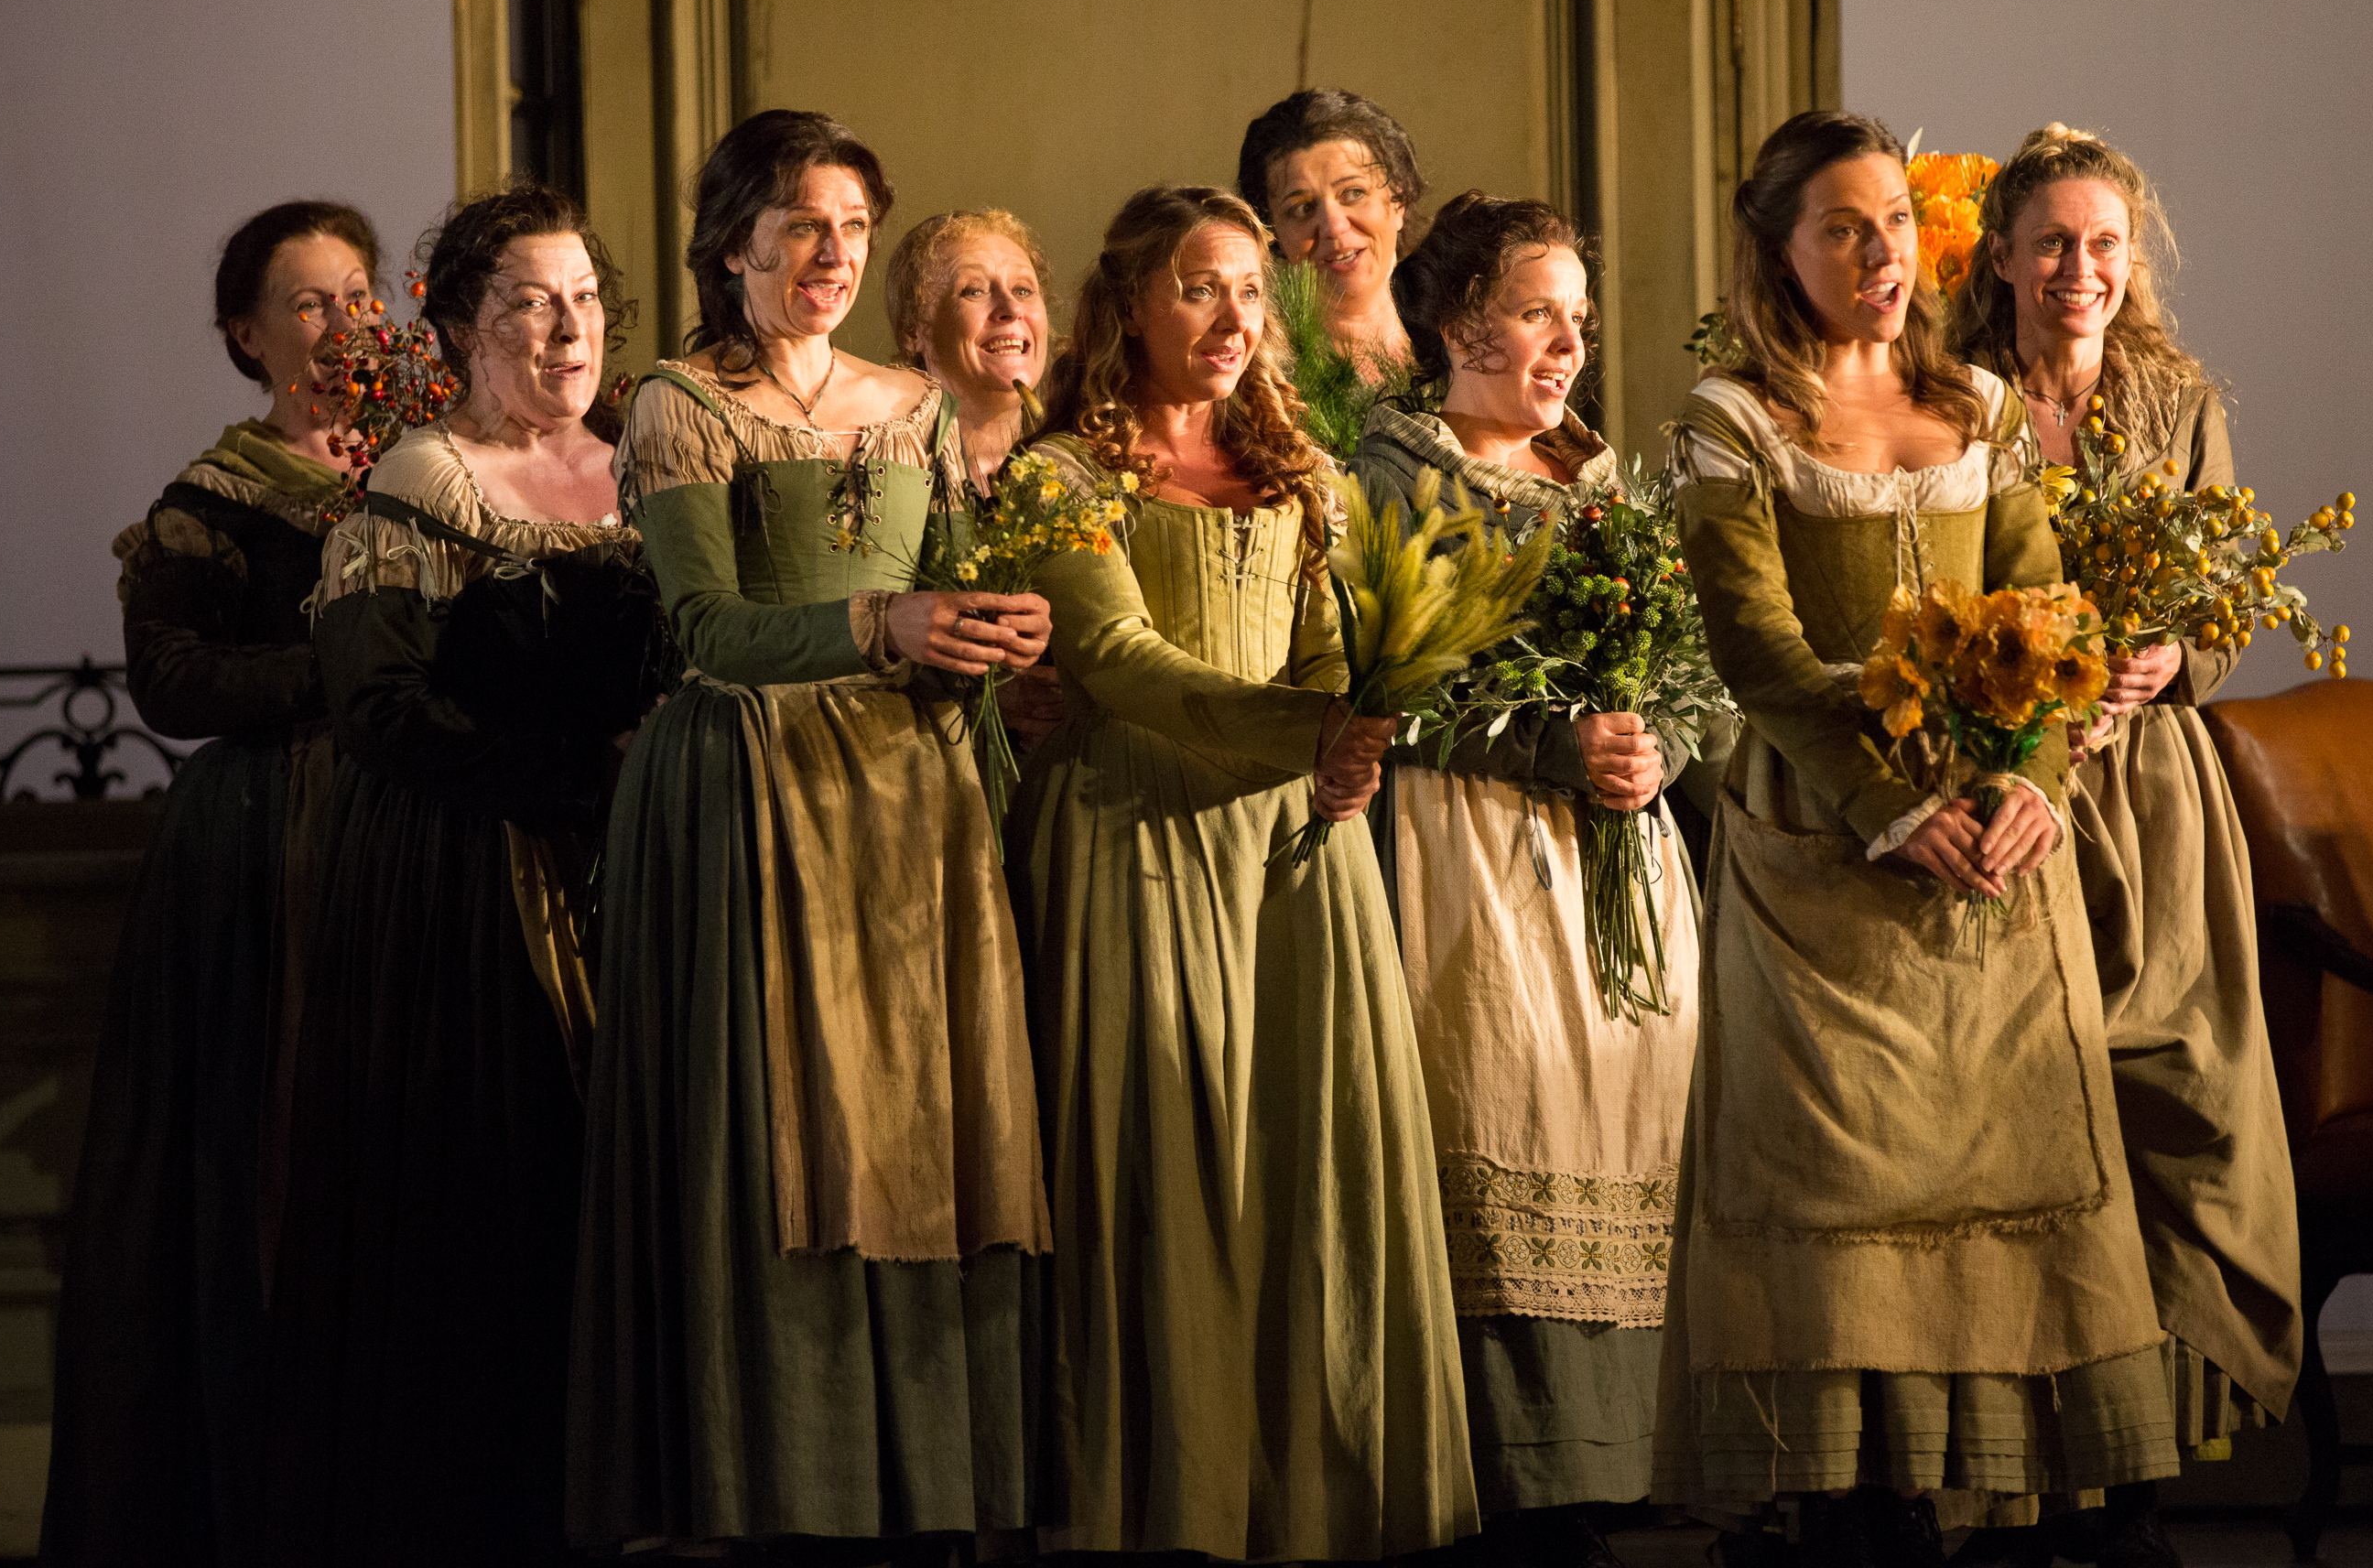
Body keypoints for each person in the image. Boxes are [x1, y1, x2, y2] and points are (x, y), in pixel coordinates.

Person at [1658, 113, 2176, 1567]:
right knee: (1836, 1185)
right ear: (1780, 251)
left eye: (1895, 220)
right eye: (1841, 227)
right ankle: (1850, 1504)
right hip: (1828, 864)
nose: (1882, 251)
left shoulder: (1988, 411)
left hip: (1997, 861)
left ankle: (2016, 1494)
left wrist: (2031, 782)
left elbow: (2048, 609)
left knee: (2016, 1179)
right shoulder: (1727, 418)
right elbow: (1756, 647)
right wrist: (1891, 807)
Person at [567, 111, 1053, 1552]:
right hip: (756, 783)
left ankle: (937, 1487)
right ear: (735, 250)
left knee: (925, 1122)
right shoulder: (680, 403)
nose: (832, 254)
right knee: (785, 1131)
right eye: (800, 228)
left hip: (914, 792)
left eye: (851, 226)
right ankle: (781, 1476)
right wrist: (879, 618)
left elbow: (946, 579)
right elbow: (708, 627)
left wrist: (998, 621)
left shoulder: (909, 404)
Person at [1013, 184, 1478, 1561]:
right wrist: (1312, 731)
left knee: (1306, 1163)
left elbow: (1342, 633)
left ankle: (1313, 1504)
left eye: (1249, 293)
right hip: (1133, 839)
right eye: (1198, 288)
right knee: (1164, 1172)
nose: (1230, 318)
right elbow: (1118, 665)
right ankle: (1175, 1504)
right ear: (1131, 305)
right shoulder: (1060, 476)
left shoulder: (1304, 465)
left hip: (1296, 859)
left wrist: (1350, 726)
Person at [262, 185, 667, 1567]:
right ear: (454, 329)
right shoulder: (419, 484)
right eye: (528, 306)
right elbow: (380, 711)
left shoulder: (646, 475)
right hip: (468, 889)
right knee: (493, 1203)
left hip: (636, 883)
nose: (567, 331)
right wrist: (570, 785)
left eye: (587, 303)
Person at [1952, 124, 2302, 1566]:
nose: (2078, 269)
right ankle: (2025, 1484)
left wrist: (2175, 653)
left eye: (2104, 244)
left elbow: (2226, 600)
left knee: (2174, 1115)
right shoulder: (1954, 402)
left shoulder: (2175, 400)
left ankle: (2141, 1481)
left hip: (2152, 801)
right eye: (2050, 242)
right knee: (2027, 1122)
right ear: (1999, 258)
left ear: (2133, 260)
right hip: (2013, 789)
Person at [1342, 193, 1701, 1554]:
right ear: (1457, 325)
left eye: (1579, 322)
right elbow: (1385, 690)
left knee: (1632, 1125)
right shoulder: (1397, 475)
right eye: (1537, 315)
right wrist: (1560, 741)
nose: (1566, 348)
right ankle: (1512, 1477)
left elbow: (1691, 675)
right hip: (1469, 853)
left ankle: (1624, 1462)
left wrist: (1657, 741)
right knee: (1506, 1117)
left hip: (1618, 856)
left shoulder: (1599, 478)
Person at [40, 200, 373, 1567]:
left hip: (410, 830)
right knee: (264, 1161)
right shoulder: (212, 500)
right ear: (246, 335)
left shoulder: (435, 471)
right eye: (307, 302)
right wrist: (350, 677)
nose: (341, 323)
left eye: (358, 294)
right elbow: (172, 686)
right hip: (262, 855)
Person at [1236, 86, 1426, 376]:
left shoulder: (1467, 342)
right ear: (1272, 232)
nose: (1333, 227)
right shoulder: (1258, 373)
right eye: (1301, 208)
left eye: (1353, 193)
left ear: (1398, 200)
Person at [884, 205, 1053, 492]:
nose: (1011, 308)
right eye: (974, 291)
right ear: (914, 330)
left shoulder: (1087, 461)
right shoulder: (884, 468)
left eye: (1023, 290)